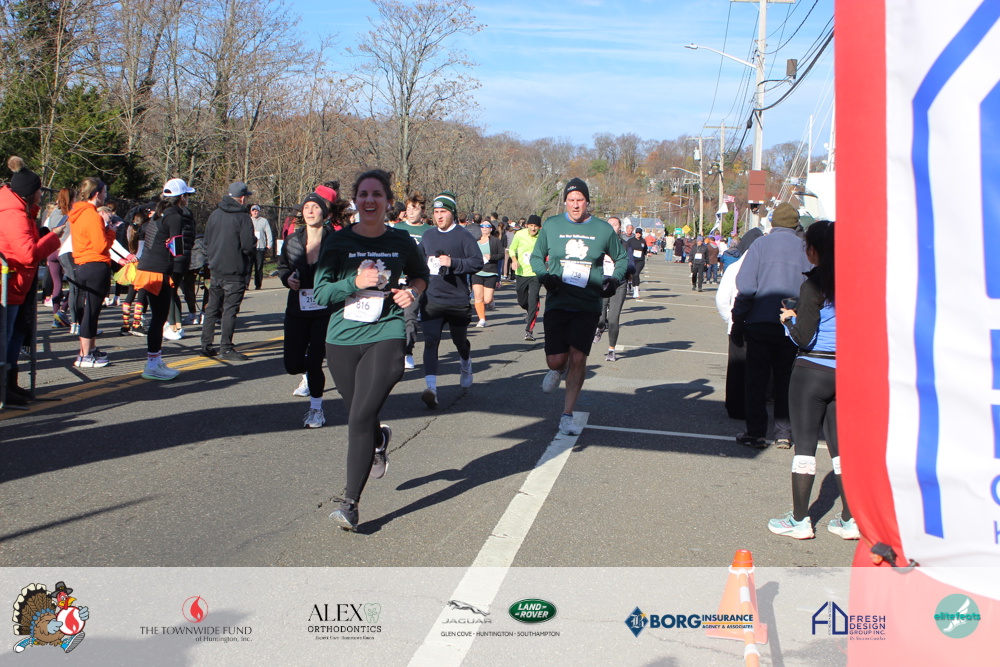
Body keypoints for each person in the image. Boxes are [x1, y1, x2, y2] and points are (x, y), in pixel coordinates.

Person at [312, 169, 429, 532]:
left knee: (359, 417)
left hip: (387, 332)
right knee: (360, 415)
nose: (369, 200)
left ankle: (350, 504)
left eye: (377, 194)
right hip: (342, 339)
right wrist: (354, 282)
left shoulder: (401, 241)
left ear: (388, 202)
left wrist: (413, 292)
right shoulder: (337, 241)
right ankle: (378, 439)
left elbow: (420, 275)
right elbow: (321, 293)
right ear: (355, 201)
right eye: (363, 194)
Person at [766, 221, 856, 540]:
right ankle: (850, 519)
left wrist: (788, 320)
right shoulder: (856, 282)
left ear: (814, 250)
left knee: (805, 446)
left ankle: (800, 519)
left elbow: (804, 337)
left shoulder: (813, 286)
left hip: (812, 369)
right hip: (846, 369)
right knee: (841, 448)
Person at [530, 178, 626, 435]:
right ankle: (558, 369)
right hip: (559, 301)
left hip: (587, 304)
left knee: (578, 357)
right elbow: (536, 256)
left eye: (580, 200)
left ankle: (567, 414)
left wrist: (614, 280)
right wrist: (544, 276)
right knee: (555, 360)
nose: (575, 205)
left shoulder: (602, 229)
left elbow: (621, 258)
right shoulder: (552, 225)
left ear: (587, 202)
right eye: (571, 200)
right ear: (565, 202)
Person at [730, 203, 812, 449]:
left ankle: (756, 433)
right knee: (786, 380)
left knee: (756, 380)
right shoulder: (805, 249)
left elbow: (746, 287)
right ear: (796, 225)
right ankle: (784, 433)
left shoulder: (760, 245)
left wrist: (738, 320)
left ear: (773, 223)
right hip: (792, 323)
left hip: (760, 321)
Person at [0, 157, 61, 403]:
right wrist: (54, 237)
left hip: (16, 285)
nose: (41, 195)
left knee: (15, 334)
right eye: (39, 190)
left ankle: (10, 384)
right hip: (10, 284)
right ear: (29, 193)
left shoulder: (20, 212)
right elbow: (27, 254)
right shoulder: (14, 215)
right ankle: (4, 388)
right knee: (6, 337)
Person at [279, 191, 341, 427]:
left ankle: (316, 409)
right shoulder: (293, 241)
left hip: (325, 311)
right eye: (306, 208)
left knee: (315, 361)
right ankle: (308, 375)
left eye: (315, 207)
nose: (310, 211)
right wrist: (287, 279)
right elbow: (283, 267)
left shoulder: (335, 241)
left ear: (324, 214)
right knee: (292, 364)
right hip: (297, 309)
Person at [417, 190, 483, 408]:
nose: (439, 216)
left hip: (457, 299)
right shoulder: (428, 235)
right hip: (432, 298)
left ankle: (465, 362)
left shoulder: (463, 236)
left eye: (443, 212)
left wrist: (453, 263)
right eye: (436, 212)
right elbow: (418, 260)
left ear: (452, 213)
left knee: (459, 341)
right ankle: (431, 389)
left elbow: (477, 262)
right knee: (431, 340)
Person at [133, 178, 196, 380]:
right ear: (182, 197)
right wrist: (177, 260)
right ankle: (152, 364)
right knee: (159, 318)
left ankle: (155, 360)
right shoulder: (174, 216)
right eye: (187, 195)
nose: (188, 198)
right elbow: (178, 247)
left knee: (158, 317)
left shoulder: (159, 214)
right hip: (158, 270)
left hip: (148, 268)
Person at [200, 182, 256, 360]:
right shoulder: (243, 217)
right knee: (229, 310)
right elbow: (248, 246)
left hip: (216, 268)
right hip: (235, 269)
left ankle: (206, 345)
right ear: (242, 198)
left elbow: (206, 241)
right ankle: (226, 347)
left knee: (212, 308)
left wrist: (211, 259)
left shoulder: (215, 214)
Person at [69, 177, 120, 368]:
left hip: (82, 264)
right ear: (97, 193)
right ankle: (84, 355)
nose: (106, 196)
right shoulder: (92, 215)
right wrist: (111, 230)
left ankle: (90, 349)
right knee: (91, 311)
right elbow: (101, 246)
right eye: (104, 192)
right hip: (95, 264)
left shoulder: (78, 213)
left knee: (91, 310)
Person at [715, 227, 763, 420]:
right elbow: (722, 300)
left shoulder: (735, 268)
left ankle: (736, 407)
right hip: (753, 323)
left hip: (739, 323)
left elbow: (721, 299)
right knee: (755, 368)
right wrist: (731, 318)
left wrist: (731, 319)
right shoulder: (748, 268)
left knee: (737, 368)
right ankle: (750, 406)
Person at [394, 191, 432, 369]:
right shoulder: (396, 228)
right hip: (395, 279)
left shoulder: (428, 231)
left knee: (410, 316)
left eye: (415, 209)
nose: (411, 212)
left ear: (422, 211)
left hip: (415, 281)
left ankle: (407, 352)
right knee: (394, 318)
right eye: (409, 208)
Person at [594, 217, 635, 362]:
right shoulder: (598, 243)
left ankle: (611, 349)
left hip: (618, 284)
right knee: (599, 317)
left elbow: (632, 266)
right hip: (601, 283)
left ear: (619, 228)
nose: (612, 227)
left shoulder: (624, 245)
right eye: (609, 224)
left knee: (613, 318)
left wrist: (620, 262)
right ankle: (600, 327)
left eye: (615, 224)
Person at [508, 214, 543, 341]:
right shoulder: (520, 234)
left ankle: (529, 330)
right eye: (531, 226)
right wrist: (514, 260)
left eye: (536, 226)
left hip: (536, 273)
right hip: (521, 272)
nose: (533, 229)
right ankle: (529, 310)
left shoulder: (542, 237)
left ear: (539, 227)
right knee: (522, 301)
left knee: (533, 300)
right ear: (527, 225)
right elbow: (512, 249)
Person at [472, 219, 502, 327]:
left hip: (490, 272)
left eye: (487, 226)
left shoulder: (495, 241)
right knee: (478, 297)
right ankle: (482, 319)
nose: (484, 228)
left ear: (491, 228)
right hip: (477, 272)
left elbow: (501, 255)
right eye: (482, 226)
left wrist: (491, 257)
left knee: (487, 299)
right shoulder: (475, 241)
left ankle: (491, 300)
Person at [249, 204, 273, 290]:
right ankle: (246, 284)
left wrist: (269, 244)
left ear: (259, 212)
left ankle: (258, 285)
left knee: (258, 267)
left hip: (260, 247)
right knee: (248, 267)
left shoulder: (264, 221)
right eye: (253, 211)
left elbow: (268, 233)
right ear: (251, 212)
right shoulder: (248, 220)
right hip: (250, 247)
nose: (255, 212)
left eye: (256, 211)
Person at [624, 227, 647, 298]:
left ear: (641, 234)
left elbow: (645, 251)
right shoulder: (630, 241)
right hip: (632, 260)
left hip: (640, 261)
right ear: (635, 233)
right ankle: (633, 288)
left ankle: (636, 291)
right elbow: (626, 248)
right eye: (637, 233)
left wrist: (648, 254)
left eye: (639, 233)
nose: (638, 234)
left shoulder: (643, 241)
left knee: (636, 274)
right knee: (633, 275)